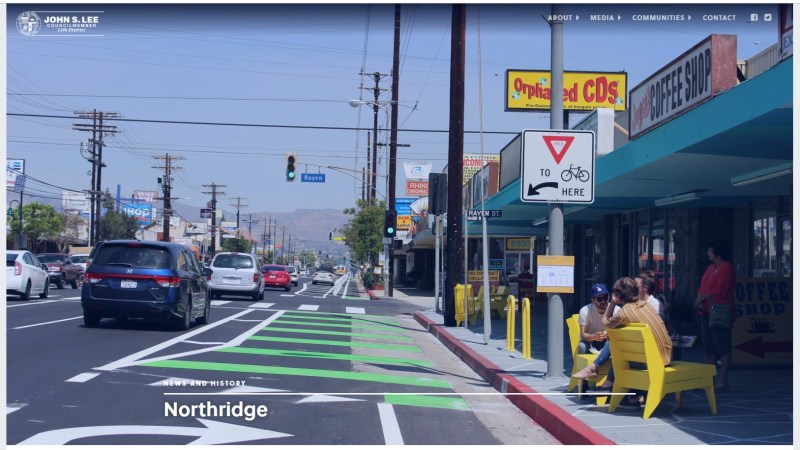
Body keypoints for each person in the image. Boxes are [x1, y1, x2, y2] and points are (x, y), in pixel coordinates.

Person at [572, 277, 673, 405]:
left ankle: (598, 373)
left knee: (617, 345)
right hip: (666, 356)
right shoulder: (647, 306)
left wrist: (613, 303)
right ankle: (611, 385)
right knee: (621, 346)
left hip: (653, 362)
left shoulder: (624, 313)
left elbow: (605, 323)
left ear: (617, 296)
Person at [695, 239, 736, 392]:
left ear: (716, 252)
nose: (708, 253)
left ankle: (723, 380)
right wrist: (699, 298)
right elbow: (702, 286)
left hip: (719, 312)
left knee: (723, 346)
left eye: (710, 250)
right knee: (709, 347)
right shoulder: (710, 268)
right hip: (705, 311)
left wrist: (703, 297)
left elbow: (720, 290)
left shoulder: (727, 268)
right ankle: (709, 380)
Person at [577, 283, 613, 355]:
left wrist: (610, 334)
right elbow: (583, 335)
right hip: (591, 341)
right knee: (582, 346)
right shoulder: (585, 311)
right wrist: (593, 336)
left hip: (609, 341)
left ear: (609, 297)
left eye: (605, 297)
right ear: (593, 300)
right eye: (599, 299)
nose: (603, 301)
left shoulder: (615, 309)